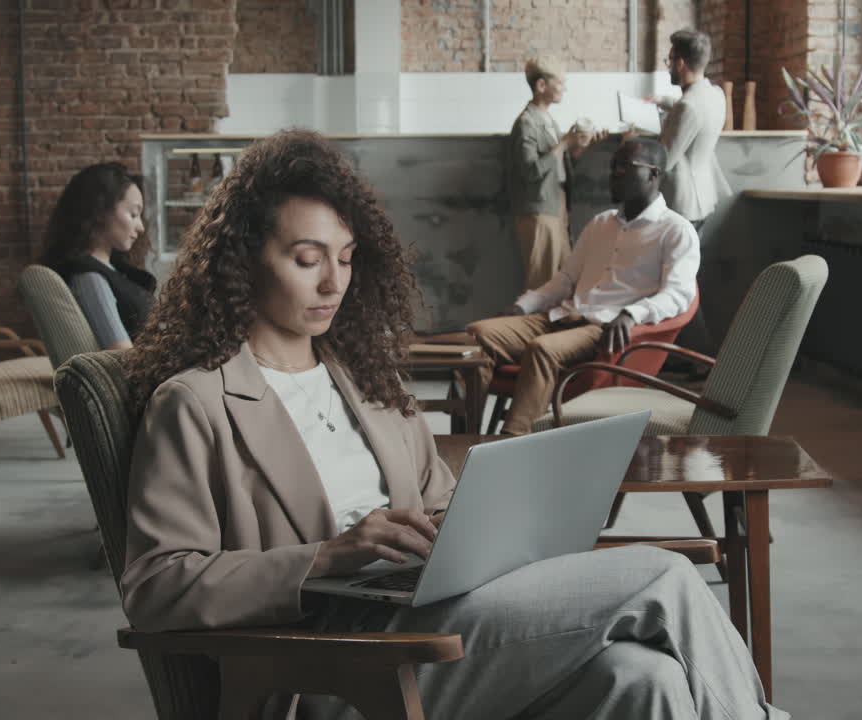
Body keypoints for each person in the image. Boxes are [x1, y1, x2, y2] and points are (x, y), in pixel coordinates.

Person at [119, 130, 781, 719]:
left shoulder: (364, 381)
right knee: (663, 579)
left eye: (346, 257)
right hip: (328, 664)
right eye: (306, 258)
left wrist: (495, 526)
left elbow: (437, 505)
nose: (333, 282)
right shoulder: (197, 402)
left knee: (645, 680)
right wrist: (327, 556)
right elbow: (155, 586)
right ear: (244, 261)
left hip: (424, 616)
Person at [467, 137, 700, 436]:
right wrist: (522, 306)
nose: (613, 173)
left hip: (601, 329)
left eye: (623, 167)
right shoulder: (600, 224)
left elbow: (679, 295)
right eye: (612, 166)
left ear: (653, 174)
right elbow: (565, 280)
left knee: (541, 349)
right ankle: (468, 434)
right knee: (477, 335)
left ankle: (513, 440)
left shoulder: (676, 230)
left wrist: (632, 314)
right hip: (561, 317)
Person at [645, 29, 733, 375]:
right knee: (682, 278)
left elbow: (664, 156)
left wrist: (635, 139)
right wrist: (663, 104)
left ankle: (699, 358)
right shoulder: (713, 95)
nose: (669, 65)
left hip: (683, 201)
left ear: (681, 63)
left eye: (670, 59)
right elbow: (691, 111)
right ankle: (690, 355)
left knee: (679, 283)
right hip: (703, 195)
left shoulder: (688, 106)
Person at [507, 56, 607, 291]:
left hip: (555, 206)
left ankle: (553, 327)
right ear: (541, 86)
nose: (564, 89)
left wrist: (583, 146)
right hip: (539, 209)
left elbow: (557, 166)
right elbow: (530, 171)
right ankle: (533, 327)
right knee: (542, 281)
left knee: (560, 278)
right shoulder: (526, 123)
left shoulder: (547, 120)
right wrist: (564, 143)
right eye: (560, 83)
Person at [41, 162, 156, 350]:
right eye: (133, 214)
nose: (141, 227)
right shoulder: (89, 277)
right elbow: (120, 353)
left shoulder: (114, 269)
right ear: (101, 211)